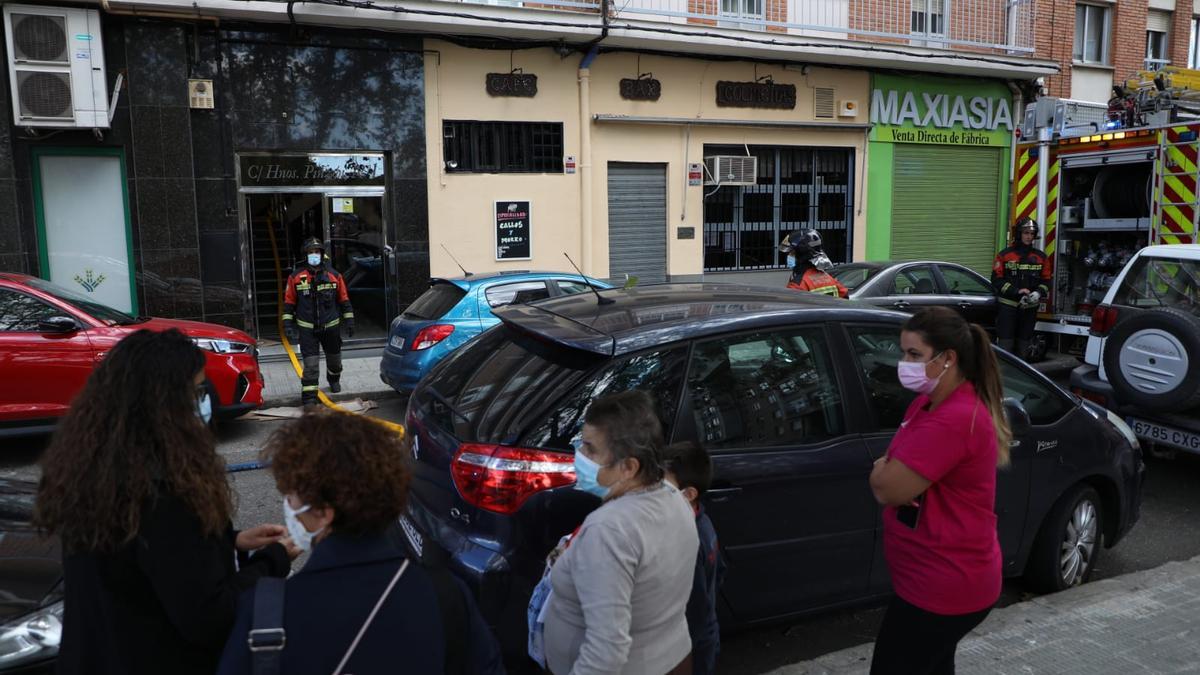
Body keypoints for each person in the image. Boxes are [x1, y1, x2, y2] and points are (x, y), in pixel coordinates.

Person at [33, 329, 295, 675]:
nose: (207, 401)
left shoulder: (94, 472)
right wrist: (271, 561)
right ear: (163, 404)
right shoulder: (164, 493)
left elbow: (140, 560)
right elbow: (210, 616)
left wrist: (229, 542)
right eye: (198, 391)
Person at [217, 411, 504, 675]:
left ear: (324, 512)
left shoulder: (266, 613)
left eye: (290, 494)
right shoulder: (446, 596)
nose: (288, 504)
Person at [867, 306, 1012, 675]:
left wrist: (889, 471)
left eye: (914, 354)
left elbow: (886, 487)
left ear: (948, 358)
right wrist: (894, 470)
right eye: (903, 353)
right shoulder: (927, 403)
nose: (904, 363)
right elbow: (894, 467)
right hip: (929, 579)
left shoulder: (956, 417)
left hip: (943, 586)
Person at [544, 391, 699, 675]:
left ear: (628, 467)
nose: (580, 454)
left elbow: (606, 650)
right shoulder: (675, 497)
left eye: (590, 448)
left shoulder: (608, 530)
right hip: (671, 657)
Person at [663, 441, 726, 675]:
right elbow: (719, 572)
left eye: (662, 486)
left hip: (690, 648)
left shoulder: (686, 540)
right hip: (705, 636)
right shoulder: (703, 522)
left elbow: (694, 609)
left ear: (688, 494)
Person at [283, 237, 354, 408]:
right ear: (305, 255)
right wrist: (287, 325)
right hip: (307, 330)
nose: (314, 255)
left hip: (331, 328)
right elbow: (289, 303)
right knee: (311, 366)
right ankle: (309, 398)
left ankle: (334, 379)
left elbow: (344, 299)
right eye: (310, 252)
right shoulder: (296, 278)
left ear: (322, 255)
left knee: (335, 362)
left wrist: (350, 320)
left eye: (317, 252)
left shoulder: (334, 276)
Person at [991, 217, 1050, 360]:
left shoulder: (1041, 257)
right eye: (1026, 233)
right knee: (1006, 345)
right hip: (1008, 307)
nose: (1029, 237)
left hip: (1030, 308)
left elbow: (1047, 280)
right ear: (1019, 234)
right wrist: (1016, 291)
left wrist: (1038, 293)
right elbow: (996, 280)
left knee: (1024, 346)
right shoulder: (1004, 255)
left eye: (1032, 233)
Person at [781, 229, 848, 298]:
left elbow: (790, 305)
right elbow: (844, 295)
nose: (789, 256)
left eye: (792, 253)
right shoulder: (828, 278)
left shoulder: (798, 284)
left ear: (801, 254)